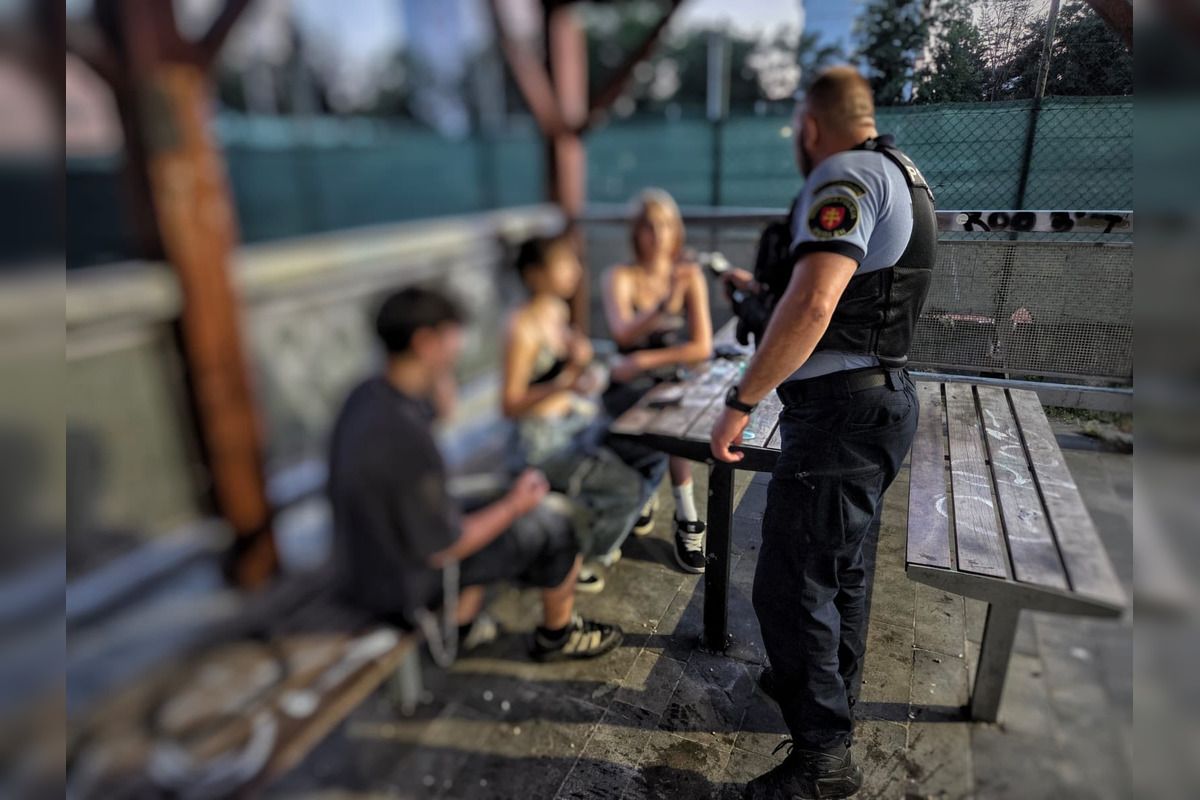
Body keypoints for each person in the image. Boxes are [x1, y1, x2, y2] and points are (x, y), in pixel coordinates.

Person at [710, 66, 936, 798]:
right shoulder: (902, 171)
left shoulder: (843, 174)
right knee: (840, 572)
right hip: (875, 401)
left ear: (810, 127)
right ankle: (829, 702)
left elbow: (813, 306)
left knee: (790, 582)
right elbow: (847, 295)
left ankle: (822, 764)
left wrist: (742, 399)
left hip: (841, 414)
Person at [328, 286, 624, 662]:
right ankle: (558, 636)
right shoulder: (406, 437)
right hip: (400, 585)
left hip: (366, 559)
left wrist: (439, 390)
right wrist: (517, 505)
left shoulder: (367, 395)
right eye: (453, 336)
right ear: (425, 341)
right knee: (557, 524)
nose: (460, 347)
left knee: (489, 500)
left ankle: (465, 626)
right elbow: (444, 547)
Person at [501, 235, 649, 592]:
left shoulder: (557, 310)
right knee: (629, 490)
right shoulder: (522, 327)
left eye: (574, 262)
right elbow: (510, 404)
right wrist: (567, 383)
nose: (576, 271)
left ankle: (579, 538)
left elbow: (564, 373)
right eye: (565, 263)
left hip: (573, 423)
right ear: (535, 274)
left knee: (641, 449)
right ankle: (573, 559)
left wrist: (578, 363)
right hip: (540, 441)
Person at [602, 189, 715, 574]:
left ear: (677, 229)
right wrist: (664, 305)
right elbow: (622, 336)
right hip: (627, 383)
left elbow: (701, 346)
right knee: (661, 405)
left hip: (663, 376)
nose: (658, 234)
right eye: (649, 226)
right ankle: (650, 498)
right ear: (636, 232)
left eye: (666, 224)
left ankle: (686, 515)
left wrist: (646, 359)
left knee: (674, 405)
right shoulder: (619, 276)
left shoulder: (689, 275)